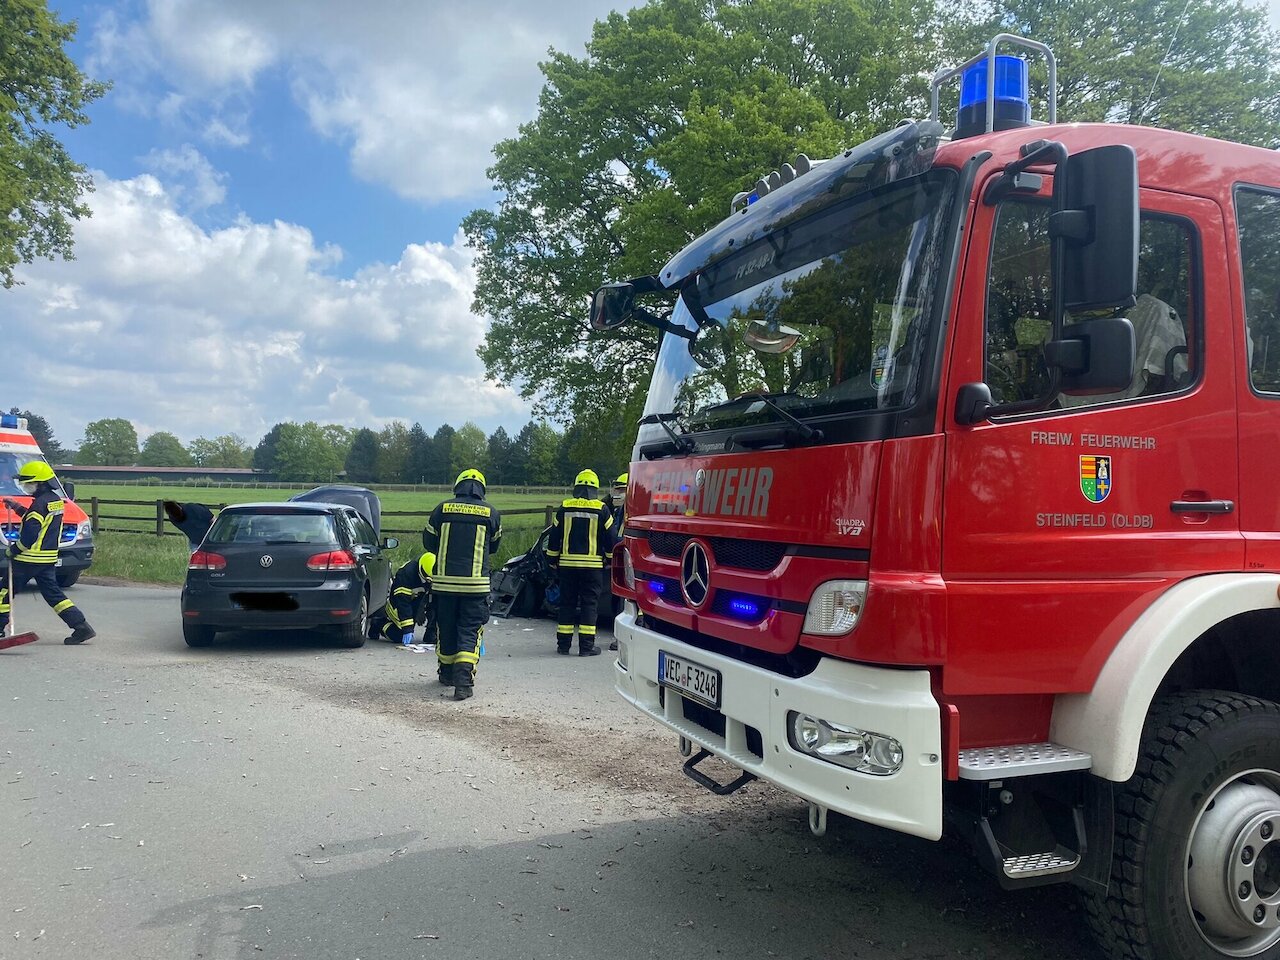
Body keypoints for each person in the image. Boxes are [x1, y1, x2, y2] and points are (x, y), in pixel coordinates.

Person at [422, 469, 502, 700]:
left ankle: (446, 674)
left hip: (444, 585)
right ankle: (463, 683)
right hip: (475, 586)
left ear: (458, 486)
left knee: (446, 628)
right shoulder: (491, 513)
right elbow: (494, 546)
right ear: (482, 489)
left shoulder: (442, 509)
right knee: (469, 630)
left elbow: (429, 542)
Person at [3, 461, 95, 644]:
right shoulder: (54, 501)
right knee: (54, 595)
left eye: (28, 483)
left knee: (3, 592)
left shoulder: (38, 505)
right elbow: (36, 519)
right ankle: (81, 627)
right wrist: (16, 506)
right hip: (47, 559)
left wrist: (13, 550)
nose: (25, 486)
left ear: (40, 483)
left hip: (28, 559)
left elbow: (30, 535)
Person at [547, 469, 615, 656]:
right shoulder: (602, 509)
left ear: (576, 487)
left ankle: (563, 646)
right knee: (589, 605)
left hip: (568, 566)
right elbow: (611, 538)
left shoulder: (565, 507)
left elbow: (554, 537)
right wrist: (610, 559)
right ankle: (586, 647)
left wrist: (552, 559)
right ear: (595, 488)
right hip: (592, 568)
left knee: (566, 604)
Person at [376, 551, 435, 645]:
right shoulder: (406, 575)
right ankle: (379, 623)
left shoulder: (432, 572)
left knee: (437, 605)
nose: (429, 583)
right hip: (397, 605)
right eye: (428, 580)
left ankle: (431, 634)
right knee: (399, 635)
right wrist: (407, 629)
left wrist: (422, 610)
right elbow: (403, 603)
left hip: (417, 602)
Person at [607, 473, 628, 652]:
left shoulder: (632, 511)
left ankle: (620, 639)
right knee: (617, 602)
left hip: (628, 563)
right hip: (619, 562)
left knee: (624, 604)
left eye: (621, 490)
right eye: (616, 490)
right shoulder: (618, 511)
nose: (617, 494)